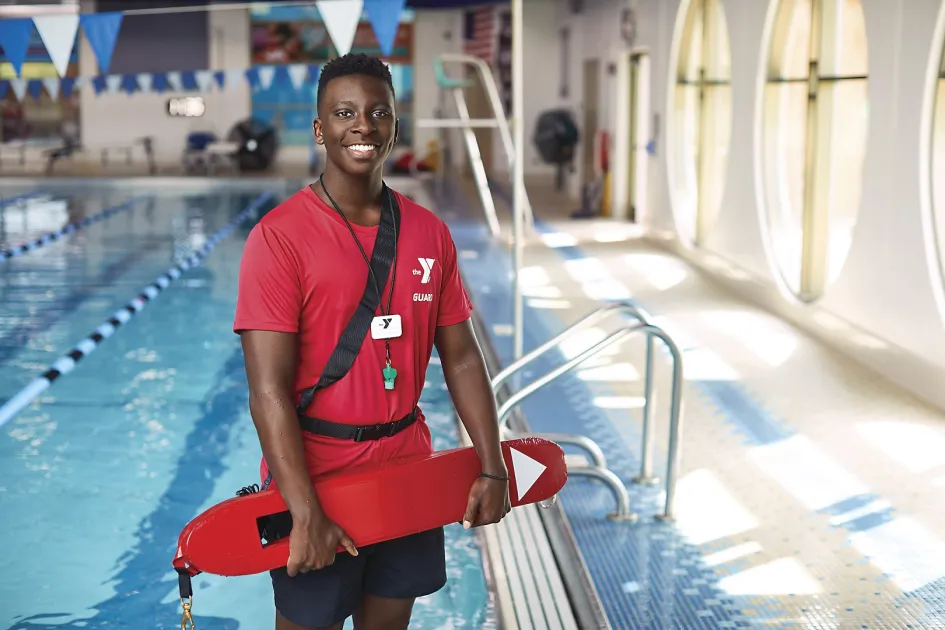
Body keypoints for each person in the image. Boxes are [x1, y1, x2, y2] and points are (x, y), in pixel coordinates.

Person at [233, 52, 511, 630]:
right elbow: (267, 391)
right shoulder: (279, 238)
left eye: (377, 112)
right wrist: (304, 512)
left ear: (394, 128)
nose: (362, 125)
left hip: (405, 472)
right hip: (316, 477)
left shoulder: (428, 231)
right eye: (344, 112)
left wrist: (492, 467)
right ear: (319, 129)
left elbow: (460, 356)